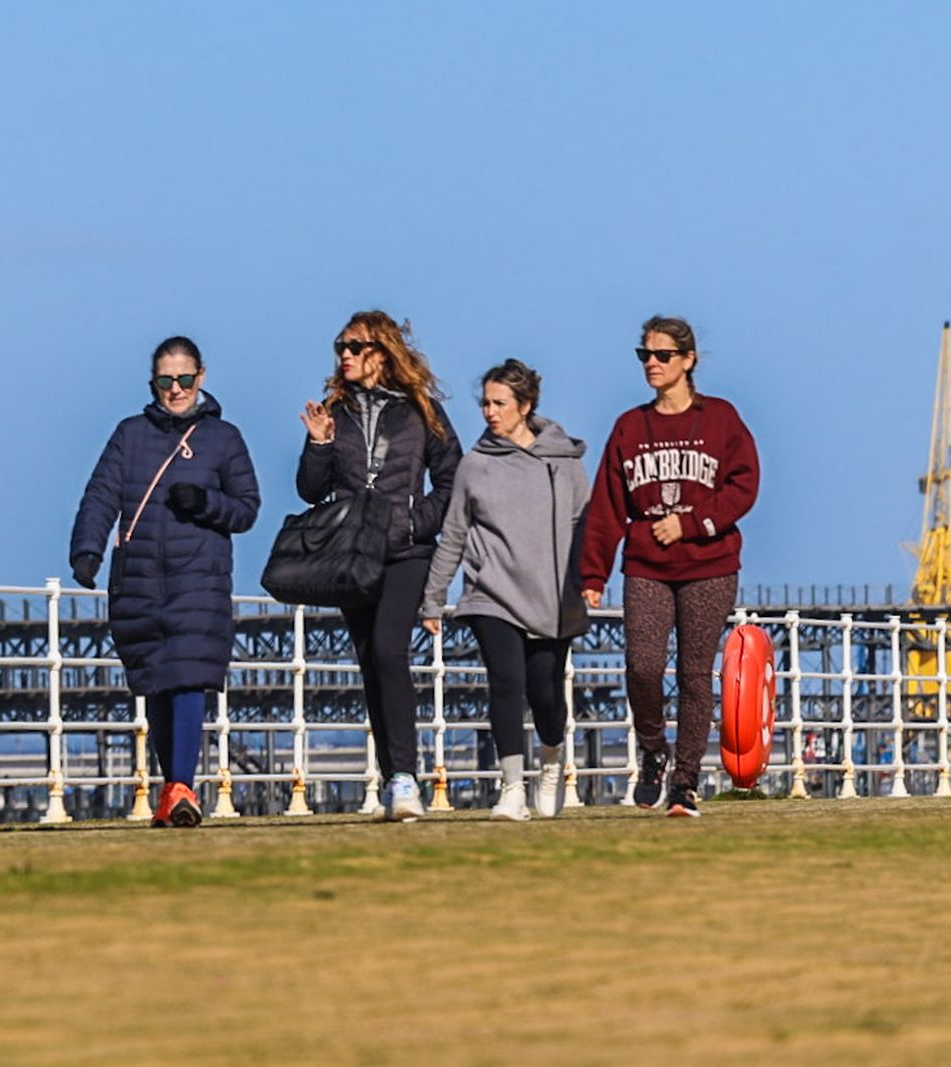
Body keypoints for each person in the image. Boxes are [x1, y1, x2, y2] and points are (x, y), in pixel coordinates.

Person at [70, 335, 261, 828]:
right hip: (138, 579)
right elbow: (101, 495)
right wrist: (87, 550)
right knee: (155, 682)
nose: (175, 389)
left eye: (184, 379)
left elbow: (246, 509)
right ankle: (172, 788)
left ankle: (181, 787)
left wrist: (205, 503)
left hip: (199, 577)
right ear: (152, 382)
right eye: (164, 380)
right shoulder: (129, 434)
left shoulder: (225, 439)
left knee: (189, 676)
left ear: (202, 377)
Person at [580, 315, 760, 818]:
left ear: (688, 360)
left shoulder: (721, 419)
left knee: (694, 673)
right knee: (641, 666)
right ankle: (653, 749)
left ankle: (685, 782)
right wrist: (593, 575)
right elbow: (607, 506)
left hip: (710, 564)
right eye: (645, 356)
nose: (652, 365)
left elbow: (744, 484)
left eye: (662, 356)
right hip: (646, 567)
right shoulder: (629, 427)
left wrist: (694, 523)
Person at [298, 310, 460, 822]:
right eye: (340, 346)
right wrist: (319, 442)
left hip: (406, 551)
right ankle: (394, 777)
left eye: (355, 347)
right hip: (350, 553)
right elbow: (308, 489)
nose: (344, 355)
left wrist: (416, 521)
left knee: (391, 650)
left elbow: (452, 481)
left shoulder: (420, 411)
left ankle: (407, 777)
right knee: (371, 660)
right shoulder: (334, 410)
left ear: (382, 353)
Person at [419, 360, 590, 821]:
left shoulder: (565, 463)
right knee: (506, 683)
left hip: (552, 596)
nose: (490, 413)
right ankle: (511, 787)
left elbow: (584, 526)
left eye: (500, 404)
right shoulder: (474, 466)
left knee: (546, 694)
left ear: (525, 406)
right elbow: (454, 533)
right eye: (485, 404)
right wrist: (434, 598)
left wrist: (589, 582)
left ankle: (551, 760)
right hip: (489, 593)